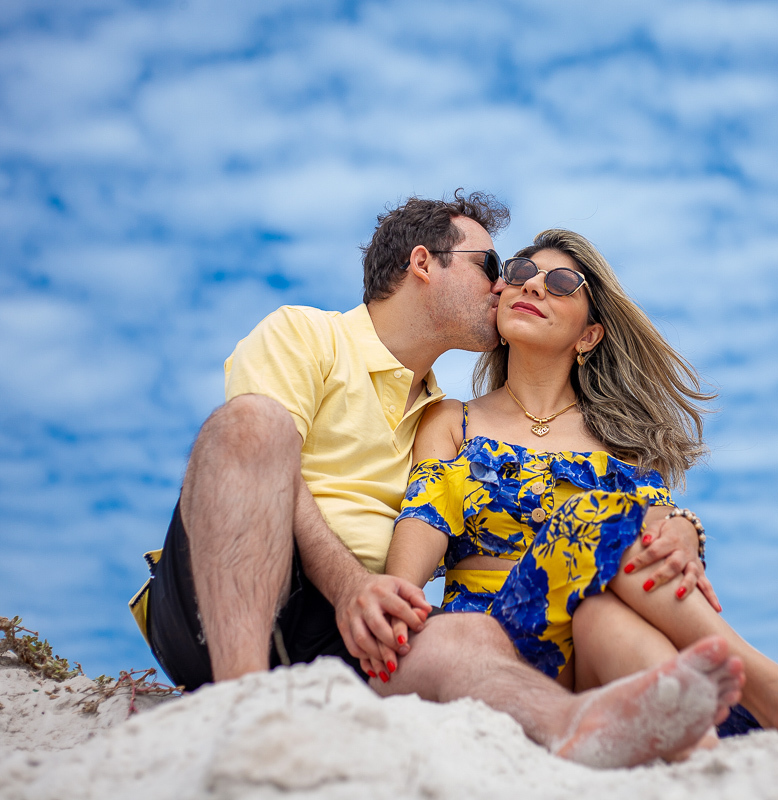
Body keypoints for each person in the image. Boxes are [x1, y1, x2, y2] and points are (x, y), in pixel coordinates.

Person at [127, 192, 745, 768]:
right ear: (424, 262)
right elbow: (252, 463)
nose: (507, 284)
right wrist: (350, 588)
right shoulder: (307, 335)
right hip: (227, 600)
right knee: (252, 423)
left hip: (354, 635)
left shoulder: (443, 417)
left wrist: (681, 524)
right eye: (493, 265)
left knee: (469, 633)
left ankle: (569, 725)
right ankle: (244, 712)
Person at [384, 228, 778, 756]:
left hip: (589, 666)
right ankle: (774, 690)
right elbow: (423, 519)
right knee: (594, 515)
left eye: (561, 284)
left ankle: (698, 759)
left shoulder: (622, 446)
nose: (532, 285)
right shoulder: (452, 419)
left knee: (602, 615)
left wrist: (683, 533)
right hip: (500, 647)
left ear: (590, 335)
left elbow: (657, 535)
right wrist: (394, 606)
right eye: (524, 272)